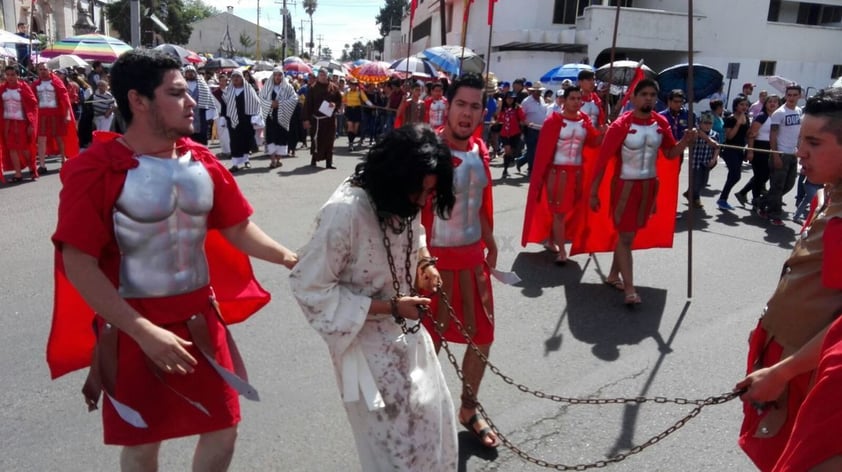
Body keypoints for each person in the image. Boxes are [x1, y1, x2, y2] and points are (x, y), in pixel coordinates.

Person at [47, 49, 298, 472]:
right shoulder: (97, 170)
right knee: (145, 444)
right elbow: (79, 264)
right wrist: (142, 331)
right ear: (138, 101)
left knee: (223, 430)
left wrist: (290, 257)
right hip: (133, 324)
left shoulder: (202, 161)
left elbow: (236, 228)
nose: (192, 102)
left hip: (201, 317)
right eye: (177, 93)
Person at [289, 124, 458, 470]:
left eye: (430, 194)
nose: (422, 202)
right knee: (394, 449)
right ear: (396, 178)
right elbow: (310, 287)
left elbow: (415, 231)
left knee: (433, 427)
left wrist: (424, 263)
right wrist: (390, 307)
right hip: (363, 347)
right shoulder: (344, 213)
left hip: (407, 333)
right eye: (419, 193)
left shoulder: (401, 199)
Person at [735, 86, 842, 472]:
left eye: (814, 142)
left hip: (810, 372)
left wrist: (784, 371)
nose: (801, 152)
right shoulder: (828, 197)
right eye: (802, 141)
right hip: (789, 357)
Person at [419, 73, 501, 449]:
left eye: (474, 106)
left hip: (473, 260)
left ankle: (468, 408)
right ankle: (421, 416)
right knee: (427, 346)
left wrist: (490, 240)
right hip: (432, 264)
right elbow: (407, 214)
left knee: (482, 337)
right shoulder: (425, 151)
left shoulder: (480, 150)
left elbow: (478, 200)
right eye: (460, 104)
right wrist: (419, 262)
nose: (467, 113)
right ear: (446, 106)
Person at [582, 79, 694, 305]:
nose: (649, 98)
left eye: (653, 94)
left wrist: (685, 141)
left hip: (648, 187)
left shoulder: (661, 123)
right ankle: (630, 289)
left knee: (628, 235)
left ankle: (614, 275)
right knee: (626, 236)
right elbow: (602, 162)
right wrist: (593, 193)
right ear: (633, 98)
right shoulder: (621, 125)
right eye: (644, 94)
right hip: (625, 187)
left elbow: (671, 154)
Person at [522, 86, 602, 264]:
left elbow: (594, 142)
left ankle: (551, 241)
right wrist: (540, 177)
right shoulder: (553, 121)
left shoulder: (585, 120)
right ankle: (562, 252)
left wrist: (603, 132)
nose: (576, 102)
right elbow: (543, 152)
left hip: (577, 172)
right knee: (559, 212)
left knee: (568, 211)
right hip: (557, 173)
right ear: (563, 101)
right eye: (572, 98)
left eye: (578, 98)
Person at [764, 84, 803, 226]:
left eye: (794, 95)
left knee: (789, 185)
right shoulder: (779, 113)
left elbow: (798, 134)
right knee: (777, 186)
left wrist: (799, 150)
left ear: (799, 96)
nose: (791, 98)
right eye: (789, 95)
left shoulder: (799, 111)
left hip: (792, 154)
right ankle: (774, 214)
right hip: (780, 153)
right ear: (786, 95)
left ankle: (761, 202)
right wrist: (775, 155)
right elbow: (772, 135)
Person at [32, 63, 79, 174]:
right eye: (40, 69)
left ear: (49, 70)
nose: (43, 71)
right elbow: (31, 99)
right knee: (41, 139)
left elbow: (65, 99)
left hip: (56, 114)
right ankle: (42, 165)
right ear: (37, 71)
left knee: (59, 138)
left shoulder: (57, 82)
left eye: (45, 69)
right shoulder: (35, 84)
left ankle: (63, 159)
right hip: (42, 114)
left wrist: (67, 114)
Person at [0, 65, 38, 182]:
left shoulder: (24, 87)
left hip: (22, 122)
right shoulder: (2, 89)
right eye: (8, 75)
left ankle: (32, 167)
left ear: (17, 75)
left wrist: (31, 123)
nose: (10, 77)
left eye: (13, 75)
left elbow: (33, 104)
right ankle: (18, 173)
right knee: (11, 148)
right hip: (7, 123)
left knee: (24, 147)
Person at [302, 68, 342, 169]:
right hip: (317, 119)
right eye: (321, 75)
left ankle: (329, 162)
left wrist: (335, 105)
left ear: (327, 75)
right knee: (316, 139)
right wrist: (306, 119)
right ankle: (314, 159)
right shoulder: (313, 88)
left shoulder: (334, 87)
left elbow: (339, 101)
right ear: (318, 76)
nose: (323, 77)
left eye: (324, 75)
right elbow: (307, 104)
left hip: (329, 119)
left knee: (329, 140)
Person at [258, 67, 297, 169]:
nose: (277, 77)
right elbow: (261, 99)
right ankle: (272, 160)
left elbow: (294, 99)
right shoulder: (267, 88)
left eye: (280, 75)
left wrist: (280, 104)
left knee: (281, 138)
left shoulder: (288, 87)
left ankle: (278, 159)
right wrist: (270, 104)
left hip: (283, 117)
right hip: (270, 117)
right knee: (271, 137)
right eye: (276, 75)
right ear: (273, 76)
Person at [716, 95, 751, 210]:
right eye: (741, 104)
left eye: (746, 104)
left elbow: (746, 135)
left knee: (732, 175)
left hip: (740, 150)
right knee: (736, 175)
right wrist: (738, 124)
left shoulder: (746, 118)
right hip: (729, 149)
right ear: (736, 106)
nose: (744, 107)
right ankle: (722, 198)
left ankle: (722, 199)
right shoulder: (731, 118)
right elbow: (729, 136)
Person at [223, 69, 261, 172]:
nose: (236, 79)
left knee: (245, 141)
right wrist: (223, 118)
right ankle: (235, 164)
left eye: (238, 77)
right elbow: (224, 105)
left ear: (242, 78)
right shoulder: (228, 90)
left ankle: (246, 161)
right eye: (234, 77)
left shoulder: (249, 89)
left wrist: (255, 117)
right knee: (234, 142)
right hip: (233, 119)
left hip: (246, 120)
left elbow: (256, 103)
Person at [683, 112, 720, 208]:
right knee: (696, 181)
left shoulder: (715, 134)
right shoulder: (696, 133)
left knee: (704, 182)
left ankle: (690, 193)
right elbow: (689, 142)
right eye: (705, 123)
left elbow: (717, 147)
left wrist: (714, 159)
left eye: (710, 123)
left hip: (706, 160)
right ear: (700, 123)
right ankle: (695, 198)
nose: (707, 125)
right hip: (696, 161)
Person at [183, 65, 215, 145]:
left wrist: (210, 115)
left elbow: (208, 99)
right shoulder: (182, 85)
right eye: (188, 72)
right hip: (186, 113)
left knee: (202, 136)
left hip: (200, 114)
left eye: (192, 72)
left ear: (195, 73)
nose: (190, 74)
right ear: (185, 74)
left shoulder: (202, 84)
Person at [341, 78, 371, 151]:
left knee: (355, 129)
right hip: (349, 110)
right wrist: (342, 108)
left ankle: (352, 141)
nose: (352, 86)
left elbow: (365, 100)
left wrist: (371, 105)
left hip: (357, 110)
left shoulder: (360, 92)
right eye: (351, 84)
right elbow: (343, 101)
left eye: (354, 84)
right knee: (350, 127)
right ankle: (351, 144)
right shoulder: (347, 92)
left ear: (356, 85)